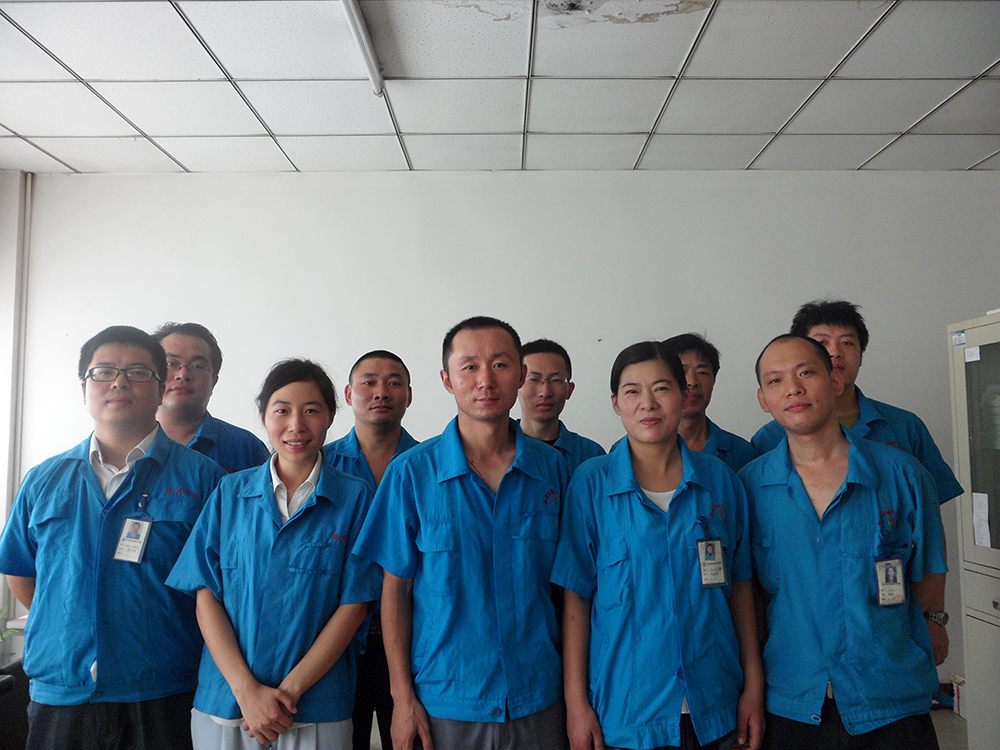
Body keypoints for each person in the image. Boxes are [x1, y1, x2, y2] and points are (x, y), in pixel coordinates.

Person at [0, 325, 225, 750]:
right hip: (61, 692)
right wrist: (74, 616)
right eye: (103, 371)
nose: (119, 382)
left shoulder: (204, 479)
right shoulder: (43, 480)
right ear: (84, 387)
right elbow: (21, 572)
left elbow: (219, 588)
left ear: (161, 388)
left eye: (138, 372)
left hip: (162, 692)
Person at [354, 316, 571, 750]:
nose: (485, 380)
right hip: (445, 701)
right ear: (447, 380)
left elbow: (569, 593)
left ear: (520, 375)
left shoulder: (555, 471)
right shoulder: (411, 473)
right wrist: (402, 698)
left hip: (540, 696)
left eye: (500, 365)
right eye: (469, 366)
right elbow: (394, 591)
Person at [552, 341, 763, 750]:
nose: (647, 403)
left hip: (715, 702)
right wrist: (576, 704)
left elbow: (741, 590)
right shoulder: (591, 484)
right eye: (632, 391)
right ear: (616, 403)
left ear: (683, 395)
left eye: (662, 388)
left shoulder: (721, 481)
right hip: (627, 708)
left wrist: (753, 687)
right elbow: (576, 600)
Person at [740, 335, 946, 750]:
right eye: (776, 381)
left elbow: (929, 572)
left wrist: (933, 626)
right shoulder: (750, 486)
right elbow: (751, 594)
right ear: (763, 399)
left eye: (806, 373)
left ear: (835, 382)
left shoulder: (902, 475)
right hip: (792, 699)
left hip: (890, 697)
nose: (793, 389)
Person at [166, 359, 381, 749]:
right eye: (282, 410)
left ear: (331, 417)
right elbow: (205, 594)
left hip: (315, 706)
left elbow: (356, 604)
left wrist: (290, 692)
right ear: (264, 416)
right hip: (227, 703)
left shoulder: (356, 497)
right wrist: (246, 691)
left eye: (311, 410)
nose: (296, 425)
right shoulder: (230, 493)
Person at [749, 301, 962, 505]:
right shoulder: (768, 438)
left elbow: (927, 510)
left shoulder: (905, 425)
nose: (835, 352)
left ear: (861, 356)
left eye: (847, 343)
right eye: (822, 343)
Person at [323, 350, 420, 750]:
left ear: (409, 395)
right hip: (337, 642)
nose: (382, 392)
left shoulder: (427, 466)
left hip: (415, 642)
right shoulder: (321, 465)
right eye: (369, 382)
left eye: (394, 383)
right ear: (349, 394)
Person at [154, 322, 270, 473]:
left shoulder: (246, 447)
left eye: (197, 366)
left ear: (214, 381)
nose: (183, 374)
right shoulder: (129, 442)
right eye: (171, 363)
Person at [663, 333, 756, 473]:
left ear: (714, 380)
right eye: (682, 372)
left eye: (702, 372)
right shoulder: (641, 451)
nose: (692, 381)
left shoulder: (741, 451)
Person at [517, 338, 605, 473]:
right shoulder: (496, 450)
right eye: (534, 379)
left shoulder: (591, 455)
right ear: (516, 385)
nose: (545, 392)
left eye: (556, 380)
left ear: (570, 390)